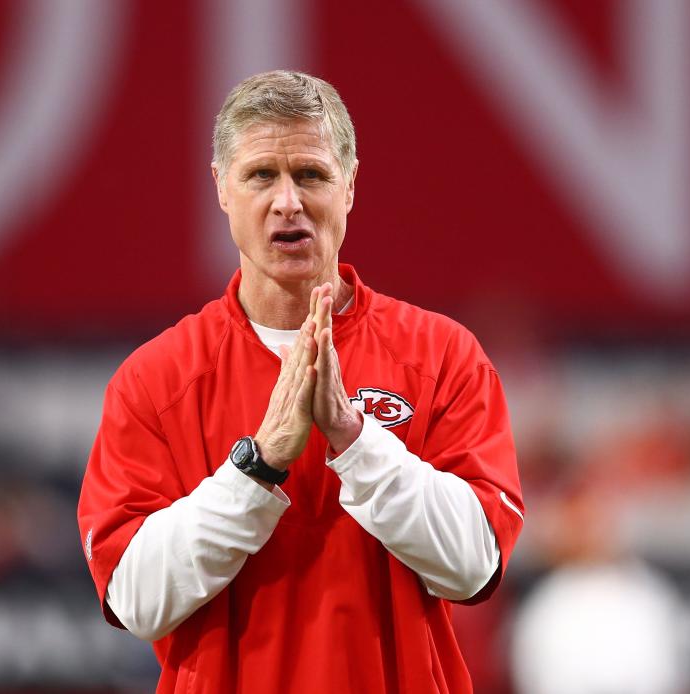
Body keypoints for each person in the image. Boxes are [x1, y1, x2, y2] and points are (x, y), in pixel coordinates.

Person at [77, 70, 524, 693]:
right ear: (222, 189)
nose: (288, 201)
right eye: (262, 175)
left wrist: (355, 439)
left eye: (310, 175)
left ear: (349, 187)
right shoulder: (155, 380)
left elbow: (475, 567)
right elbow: (133, 600)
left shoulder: (444, 356)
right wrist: (256, 468)